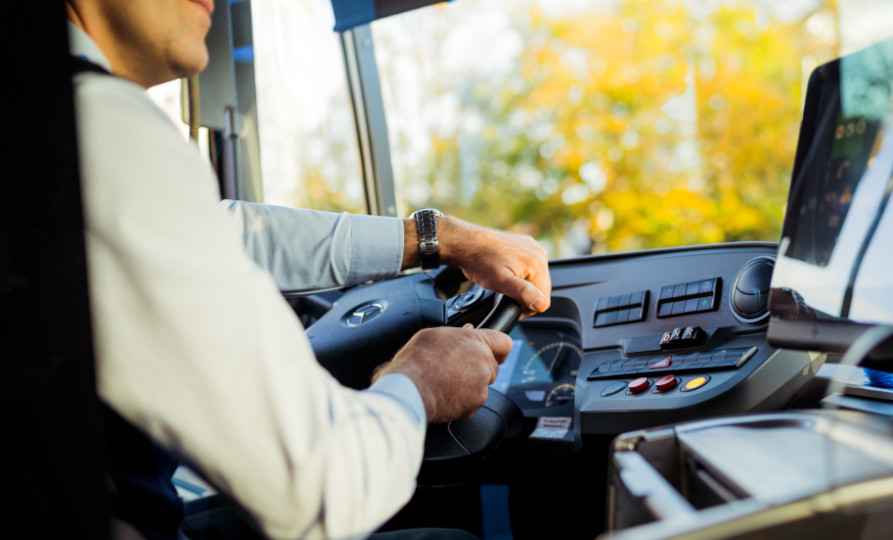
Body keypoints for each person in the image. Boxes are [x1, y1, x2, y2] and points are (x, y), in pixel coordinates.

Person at [65, 0, 552, 538]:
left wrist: (437, 239)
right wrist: (420, 383)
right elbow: (326, 487)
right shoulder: (108, 129)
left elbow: (225, 230)